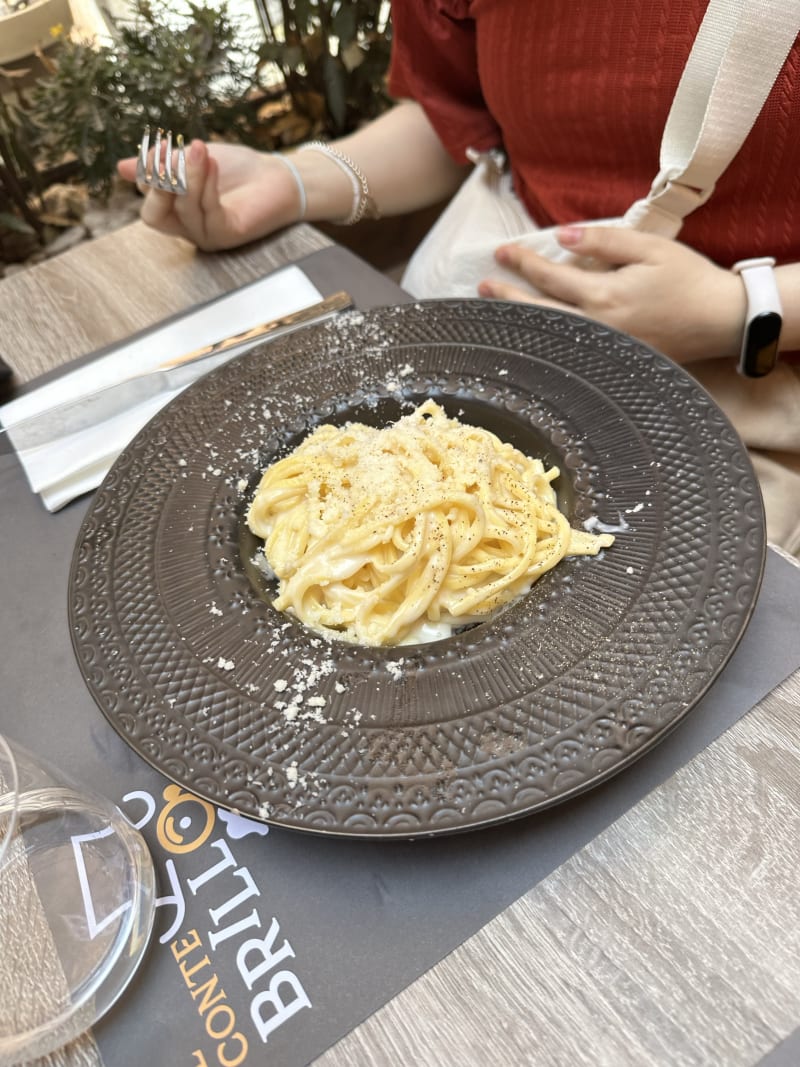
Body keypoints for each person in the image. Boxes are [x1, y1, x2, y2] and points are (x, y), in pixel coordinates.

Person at [117, 1, 800, 553]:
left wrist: (736, 309)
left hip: (749, 394)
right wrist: (292, 179)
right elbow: (456, 116)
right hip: (510, 342)